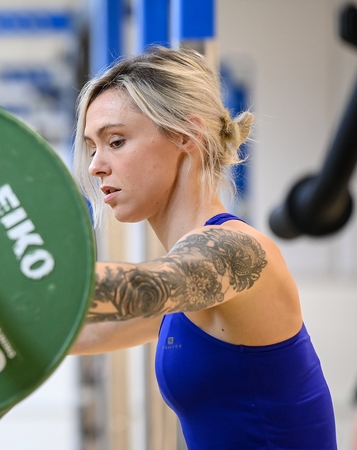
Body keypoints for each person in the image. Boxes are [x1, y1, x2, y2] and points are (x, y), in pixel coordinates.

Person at [68, 46, 337, 448]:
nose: (95, 165)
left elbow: (144, 287)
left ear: (185, 135)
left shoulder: (237, 252)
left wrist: (16, 271)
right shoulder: (185, 295)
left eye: (117, 141)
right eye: (92, 148)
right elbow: (67, 334)